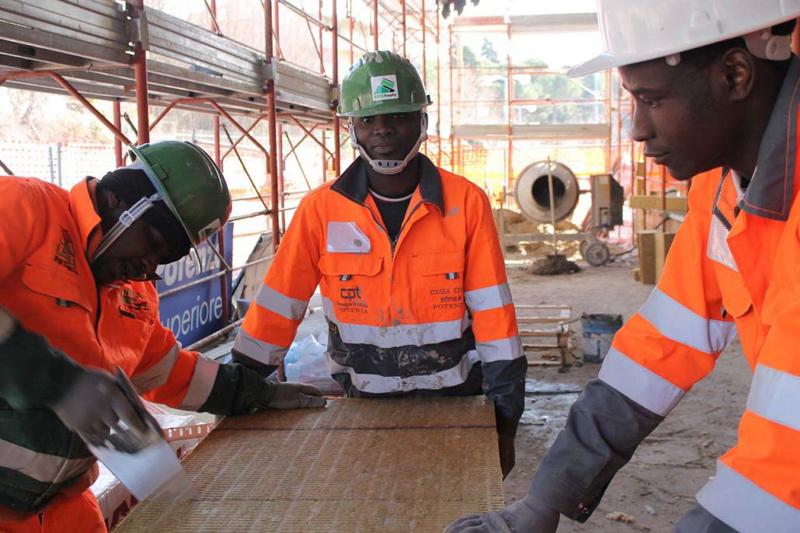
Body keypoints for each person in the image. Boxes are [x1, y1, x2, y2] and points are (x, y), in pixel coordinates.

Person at [446, 1, 800, 532]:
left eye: (651, 100)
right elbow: (660, 348)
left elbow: (783, 463)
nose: (637, 129)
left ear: (734, 74)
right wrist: (543, 500)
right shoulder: (723, 187)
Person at [0, 140, 326, 533]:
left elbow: (170, 373)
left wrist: (257, 393)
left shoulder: (134, 296)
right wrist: (57, 382)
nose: (149, 265)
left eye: (166, 257)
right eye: (153, 241)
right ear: (119, 199)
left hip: (62, 510)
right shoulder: (25, 208)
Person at [233, 50, 526, 477]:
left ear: (422, 122)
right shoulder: (321, 210)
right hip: (363, 406)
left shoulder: (466, 203)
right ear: (351, 127)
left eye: (398, 117)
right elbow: (278, 308)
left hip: (457, 402)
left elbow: (494, 317)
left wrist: (505, 420)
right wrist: (238, 388)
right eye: (368, 120)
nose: (383, 130)